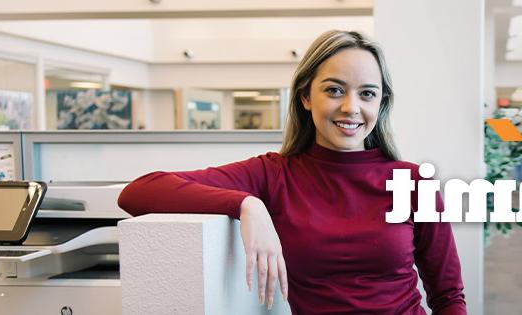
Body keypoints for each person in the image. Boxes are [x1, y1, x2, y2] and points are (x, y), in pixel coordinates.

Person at [117, 30, 466, 315]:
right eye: (334, 90)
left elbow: (448, 296)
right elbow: (140, 191)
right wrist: (247, 204)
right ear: (305, 97)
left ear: (380, 103)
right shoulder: (273, 174)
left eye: (367, 94)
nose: (351, 107)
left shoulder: (413, 182)